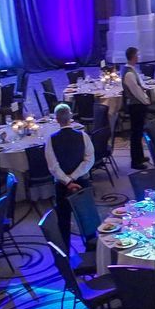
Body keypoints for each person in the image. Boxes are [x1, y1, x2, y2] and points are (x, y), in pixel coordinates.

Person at [45, 103, 99, 251]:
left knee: (63, 219)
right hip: (82, 182)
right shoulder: (83, 136)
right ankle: (92, 247)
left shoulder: (51, 140)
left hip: (62, 186)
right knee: (87, 216)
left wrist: (67, 181)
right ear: (71, 117)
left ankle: (65, 251)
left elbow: (53, 166)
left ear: (56, 119)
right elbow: (89, 160)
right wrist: (75, 177)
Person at [122, 46, 155, 168]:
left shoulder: (131, 70)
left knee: (139, 132)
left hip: (137, 105)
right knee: (136, 134)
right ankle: (135, 161)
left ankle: (140, 156)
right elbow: (136, 91)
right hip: (135, 106)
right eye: (137, 55)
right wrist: (146, 100)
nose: (138, 57)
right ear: (133, 57)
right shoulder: (129, 74)